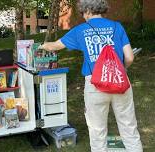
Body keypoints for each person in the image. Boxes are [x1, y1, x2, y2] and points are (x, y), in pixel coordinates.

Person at [39, 0, 143, 151]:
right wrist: (119, 71)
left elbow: (56, 45)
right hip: (120, 82)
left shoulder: (81, 29)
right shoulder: (117, 27)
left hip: (95, 85)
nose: (83, 16)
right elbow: (130, 57)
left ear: (87, 10)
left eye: (82, 13)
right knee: (129, 127)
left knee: (97, 131)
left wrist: (42, 45)